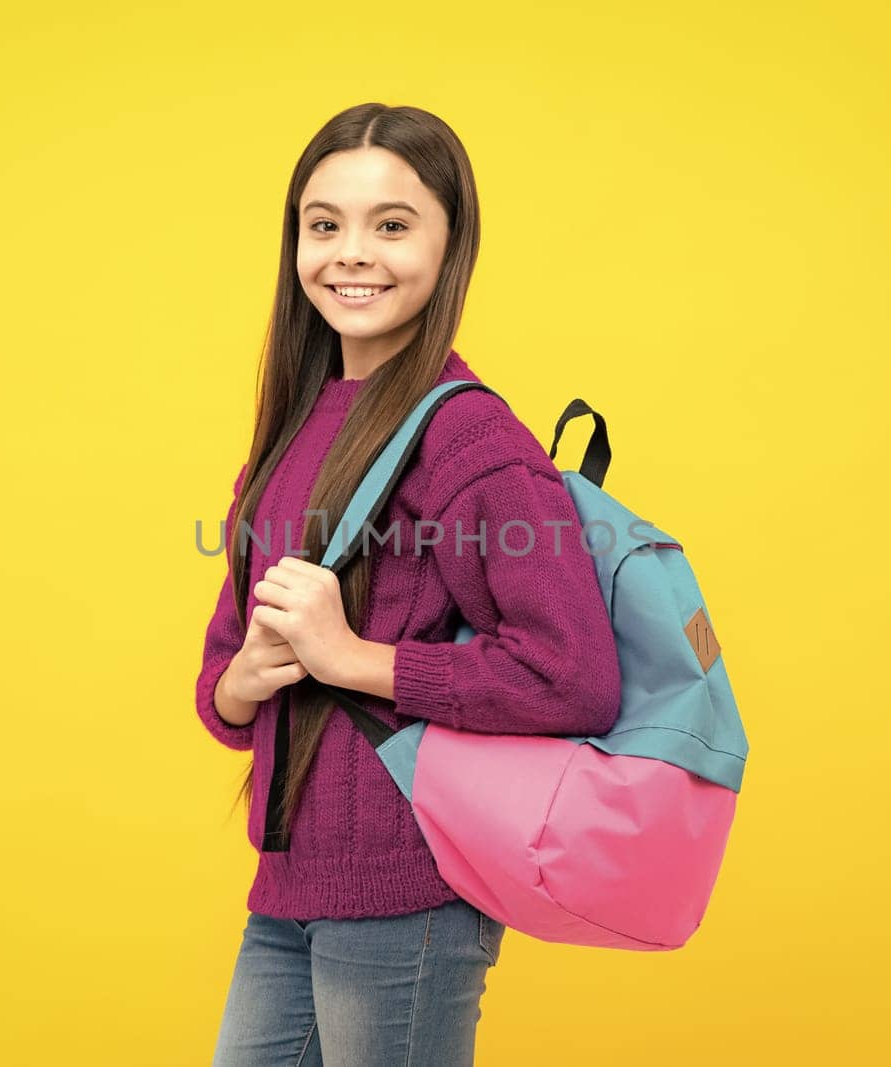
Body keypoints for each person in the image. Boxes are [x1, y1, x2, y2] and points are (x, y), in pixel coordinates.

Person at [194, 102, 622, 1065]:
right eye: (324, 223)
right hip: (288, 888)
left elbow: (576, 677)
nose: (352, 254)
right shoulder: (292, 431)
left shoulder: (472, 442)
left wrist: (351, 657)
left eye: (392, 224)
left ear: (450, 242)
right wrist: (250, 674)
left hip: (410, 895)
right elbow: (221, 693)